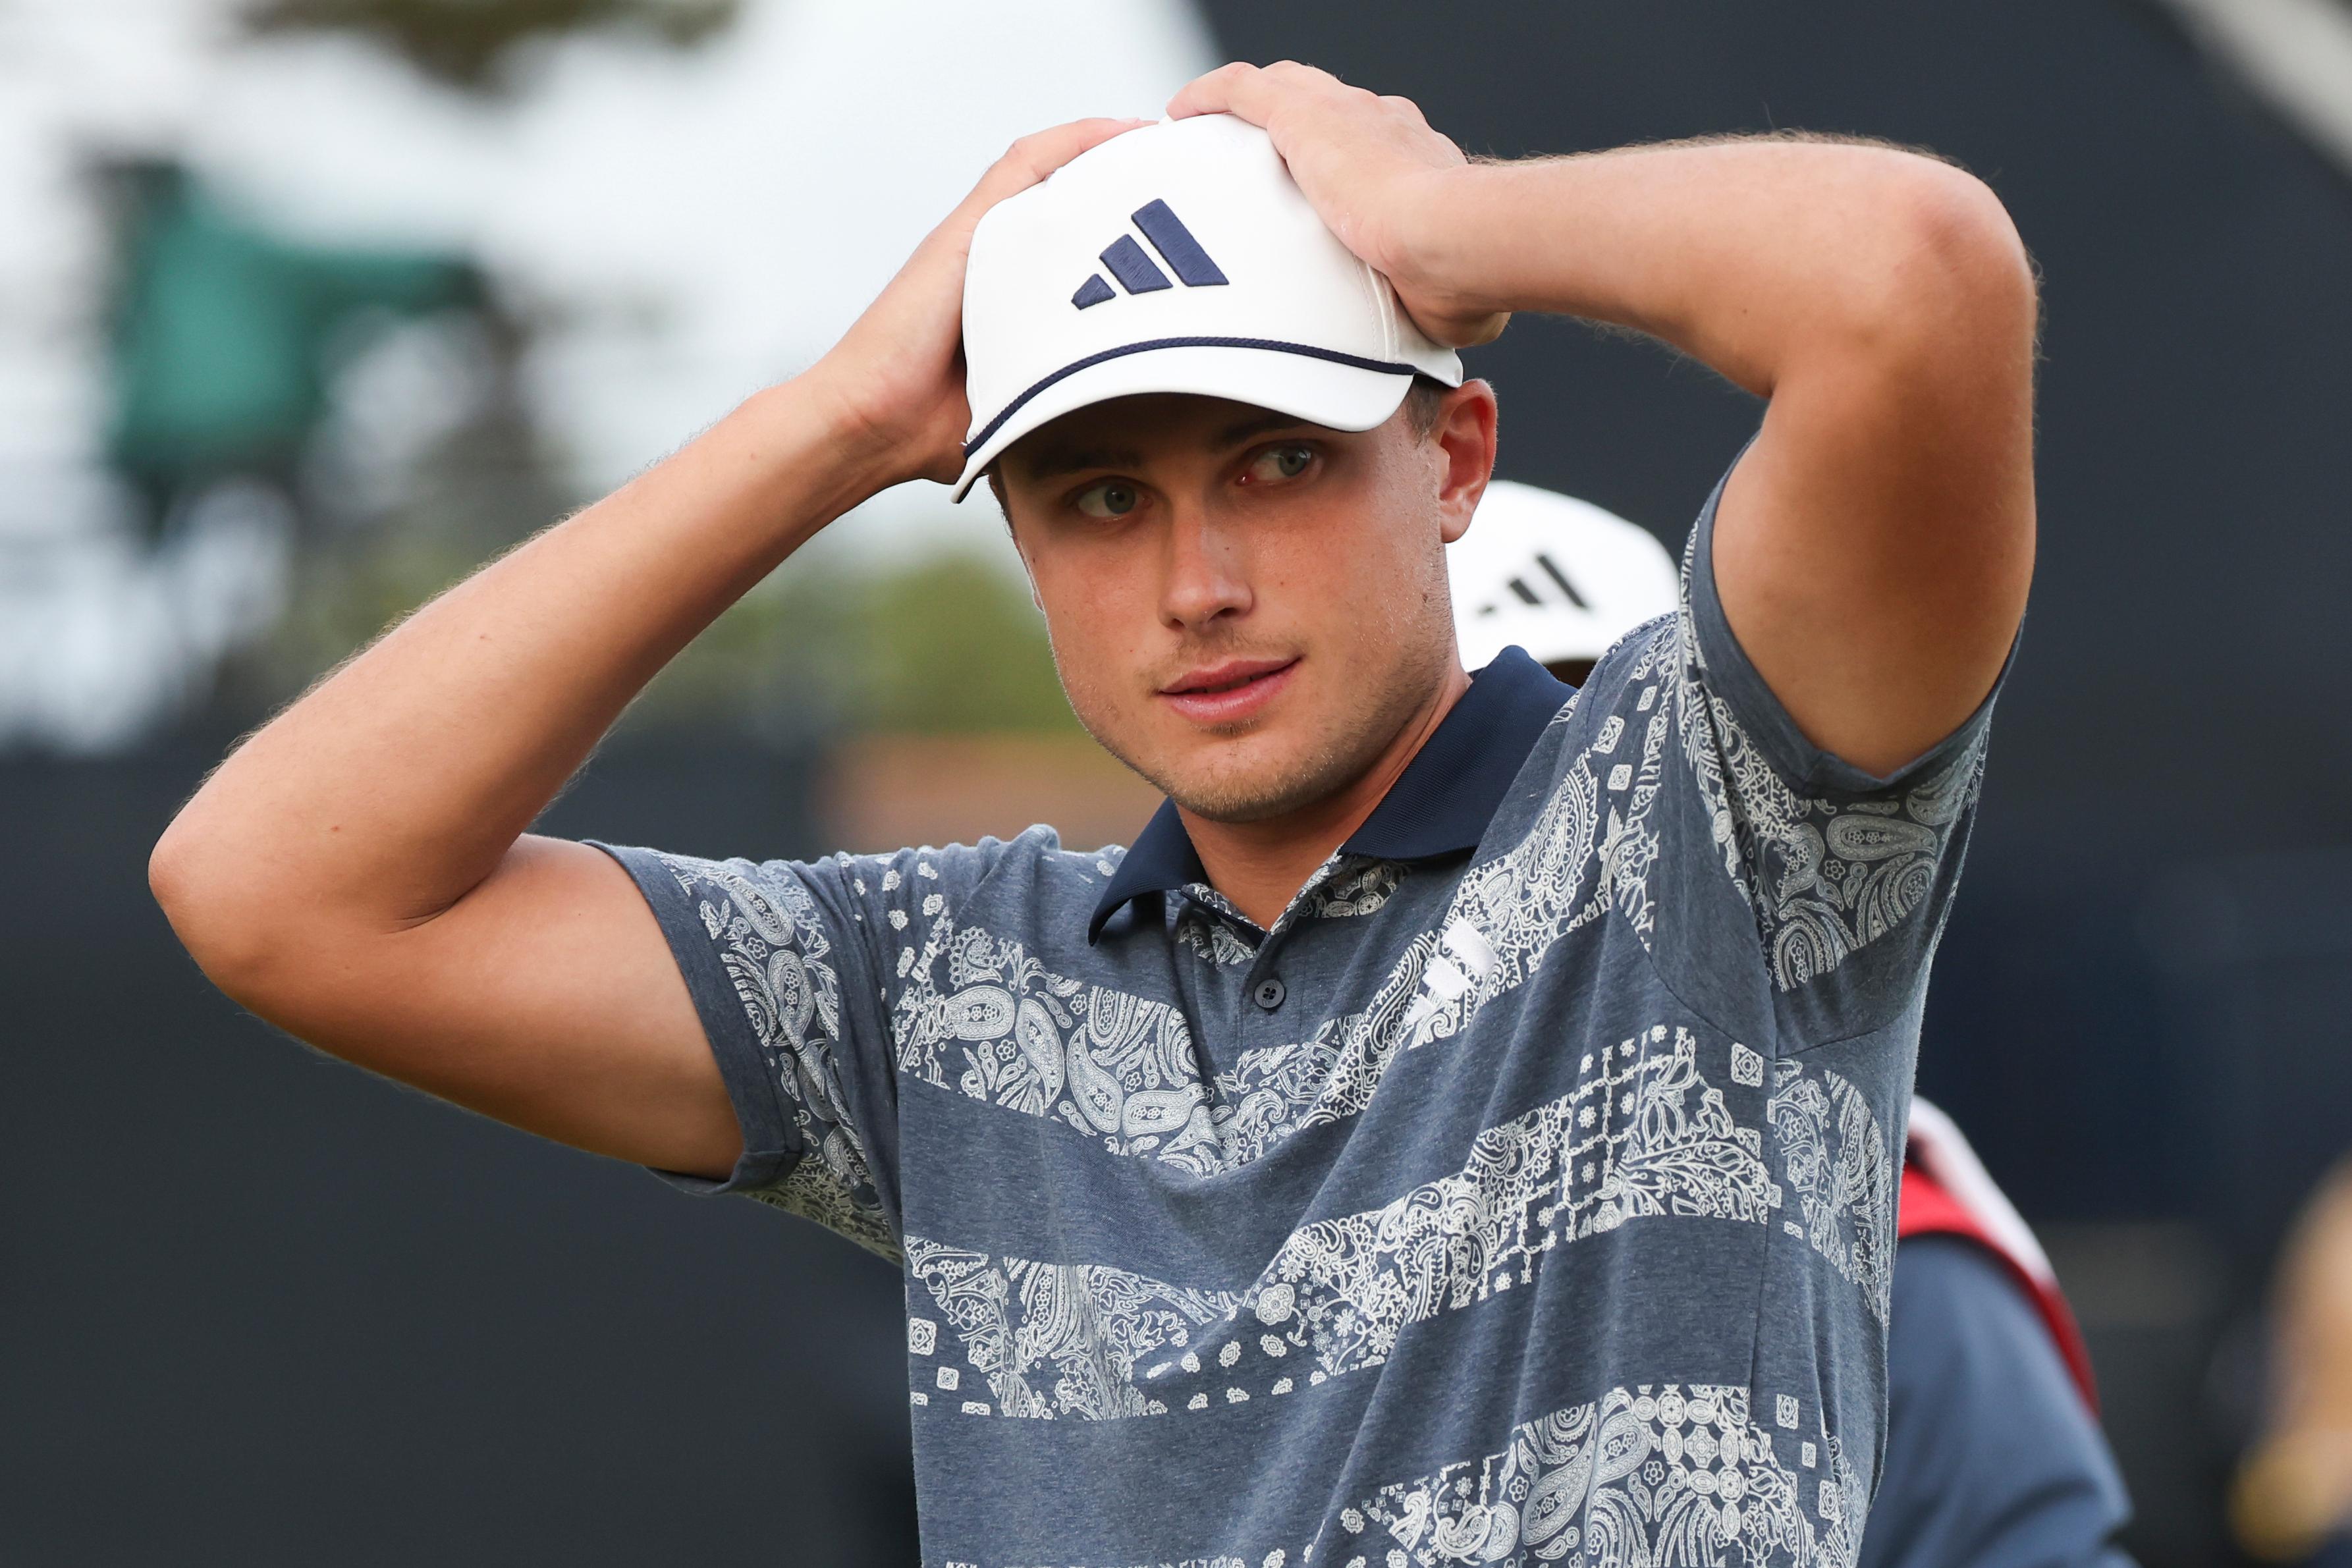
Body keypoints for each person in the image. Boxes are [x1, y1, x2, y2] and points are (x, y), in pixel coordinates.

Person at [151, 63, 2037, 1565]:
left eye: (1278, 459)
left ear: (1450, 456)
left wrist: (1439, 227)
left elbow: (1914, 281)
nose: (1194, 578)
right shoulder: (944, 985)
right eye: (1097, 498)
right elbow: (275, 889)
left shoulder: (1702, 824)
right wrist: (835, 421)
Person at [1454, 481, 2134, 1565]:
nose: (1565, 834)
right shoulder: (1177, 1218)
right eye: (1472, 782)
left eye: (1621, 755)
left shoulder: (1897, 1264)